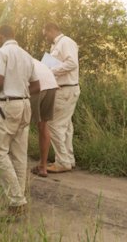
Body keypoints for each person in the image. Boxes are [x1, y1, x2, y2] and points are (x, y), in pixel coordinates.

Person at [0, 24, 40, 217]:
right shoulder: (25, 55)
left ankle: (16, 200)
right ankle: (18, 197)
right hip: (24, 105)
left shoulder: (1, 53)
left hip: (7, 106)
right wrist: (20, 94)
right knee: (19, 155)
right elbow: (37, 85)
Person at [43, 22, 79, 173]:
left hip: (66, 89)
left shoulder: (66, 42)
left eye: (45, 34)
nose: (45, 37)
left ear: (52, 30)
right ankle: (68, 158)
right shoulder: (56, 46)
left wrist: (51, 70)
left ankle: (62, 161)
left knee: (54, 125)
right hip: (63, 89)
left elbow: (72, 63)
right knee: (66, 126)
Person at [29, 58, 59, 178]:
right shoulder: (29, 57)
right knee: (43, 125)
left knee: (22, 123)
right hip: (51, 84)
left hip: (38, 86)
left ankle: (15, 164)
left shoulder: (2, 56)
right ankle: (43, 167)